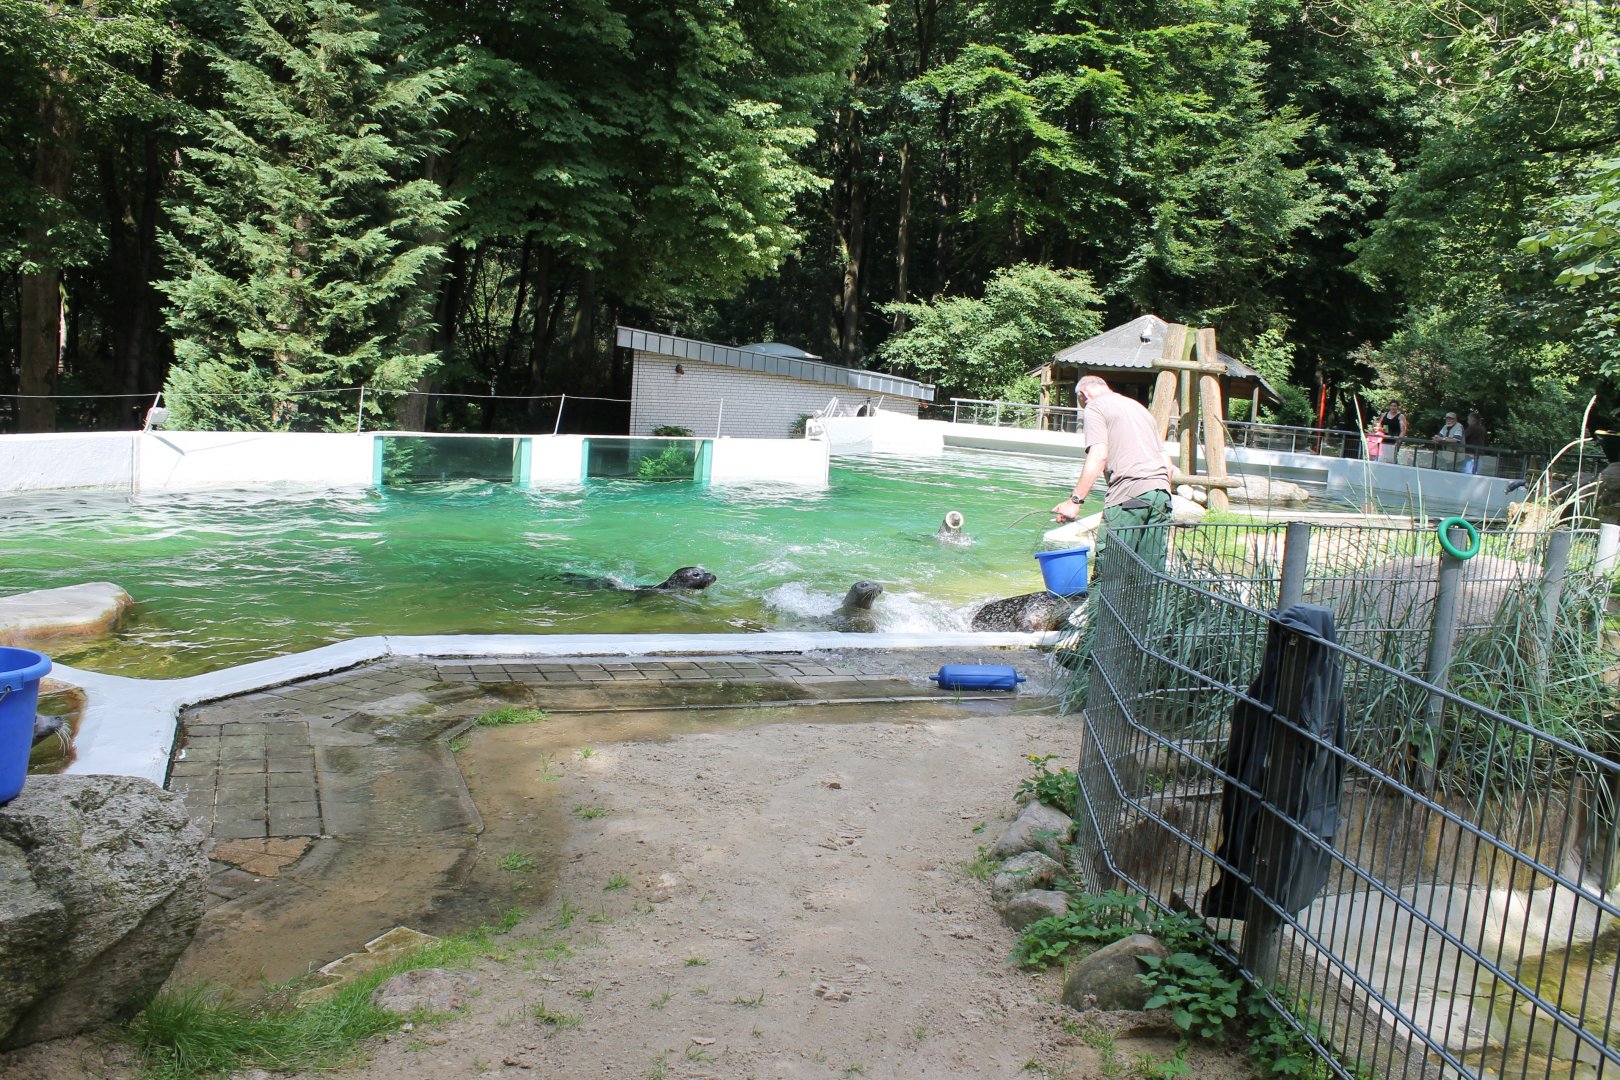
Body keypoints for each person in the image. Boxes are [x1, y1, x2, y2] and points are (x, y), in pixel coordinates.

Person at [1053, 374, 1173, 573]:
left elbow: (1099, 454)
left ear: (1083, 394)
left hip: (1129, 496)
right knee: (1150, 573)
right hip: (1161, 494)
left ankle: (1100, 605)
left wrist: (1075, 501)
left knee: (1109, 573)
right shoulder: (1139, 409)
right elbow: (1168, 465)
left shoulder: (1095, 406)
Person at [1463, 410, 1487, 474]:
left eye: (1469, 419)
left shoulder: (1472, 427)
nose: (1467, 421)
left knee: (1468, 473)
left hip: (1471, 455)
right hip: (1480, 455)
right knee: (1476, 473)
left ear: (1473, 420)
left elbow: (1463, 438)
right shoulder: (1483, 429)